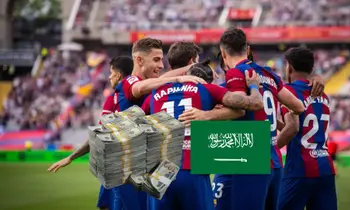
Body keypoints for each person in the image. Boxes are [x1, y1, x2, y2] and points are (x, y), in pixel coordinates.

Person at [48, 38, 205, 210]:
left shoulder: (156, 86)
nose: (161, 65)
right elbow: (104, 129)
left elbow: (163, 80)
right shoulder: (129, 82)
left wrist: (187, 72)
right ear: (139, 60)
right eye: (156, 60)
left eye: (161, 60)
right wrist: (72, 157)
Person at [142, 60, 264, 210]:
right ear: (209, 80)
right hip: (191, 168)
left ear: (186, 74)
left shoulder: (155, 93)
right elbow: (251, 105)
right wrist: (253, 86)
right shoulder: (207, 89)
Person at [219, 27, 305, 210]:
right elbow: (299, 106)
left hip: (250, 157)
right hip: (274, 160)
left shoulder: (235, 73)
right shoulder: (270, 74)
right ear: (247, 49)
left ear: (223, 52)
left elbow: (242, 108)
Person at [47, 56, 134, 210]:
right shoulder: (143, 93)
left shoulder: (115, 98)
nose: (108, 77)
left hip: (121, 168)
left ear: (118, 75)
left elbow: (100, 133)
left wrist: (71, 157)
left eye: (111, 73)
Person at [277, 47, 337, 210]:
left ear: (289, 67)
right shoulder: (322, 94)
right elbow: (303, 127)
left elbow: (293, 129)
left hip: (300, 169)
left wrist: (269, 148)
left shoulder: (288, 92)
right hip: (325, 167)